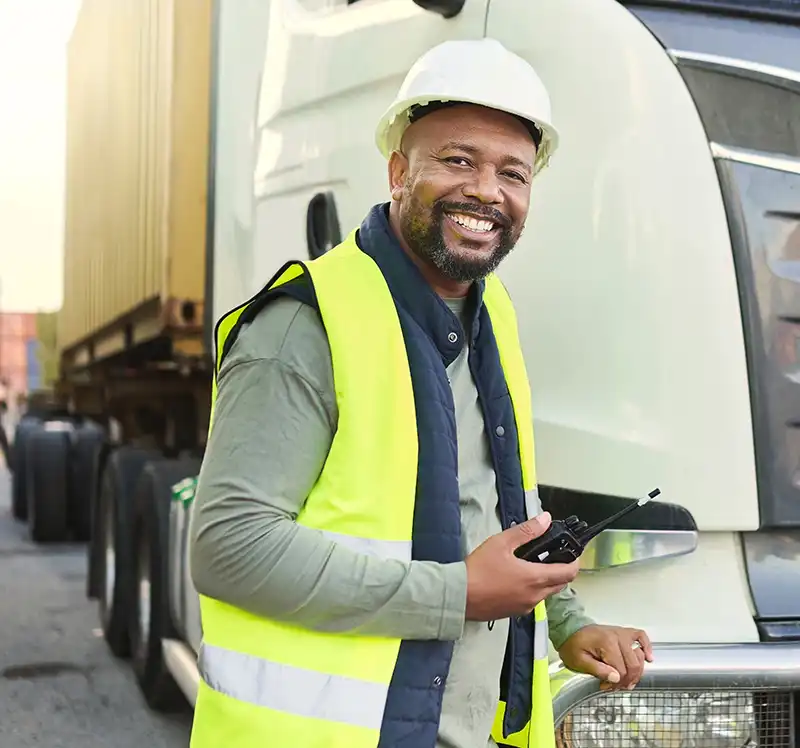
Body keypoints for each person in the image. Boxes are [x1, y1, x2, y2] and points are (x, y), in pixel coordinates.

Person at [188, 38, 653, 748]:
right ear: (399, 170)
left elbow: (494, 505)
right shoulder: (305, 326)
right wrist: (457, 596)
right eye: (458, 160)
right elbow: (228, 546)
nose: (486, 192)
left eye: (513, 173)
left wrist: (568, 622)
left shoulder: (492, 313)